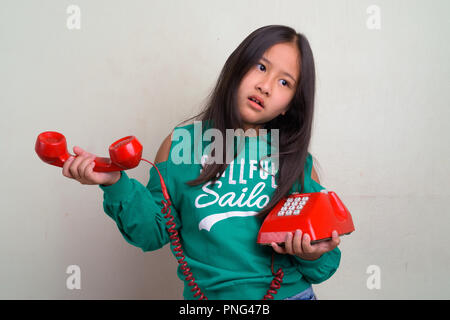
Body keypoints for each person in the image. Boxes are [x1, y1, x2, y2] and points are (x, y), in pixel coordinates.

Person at [61, 25, 342, 300]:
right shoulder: (179, 145)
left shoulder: (295, 162)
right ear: (236, 67)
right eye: (261, 67)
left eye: (284, 82)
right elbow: (151, 233)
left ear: (289, 106)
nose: (265, 86)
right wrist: (115, 184)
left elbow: (324, 266)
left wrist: (311, 253)